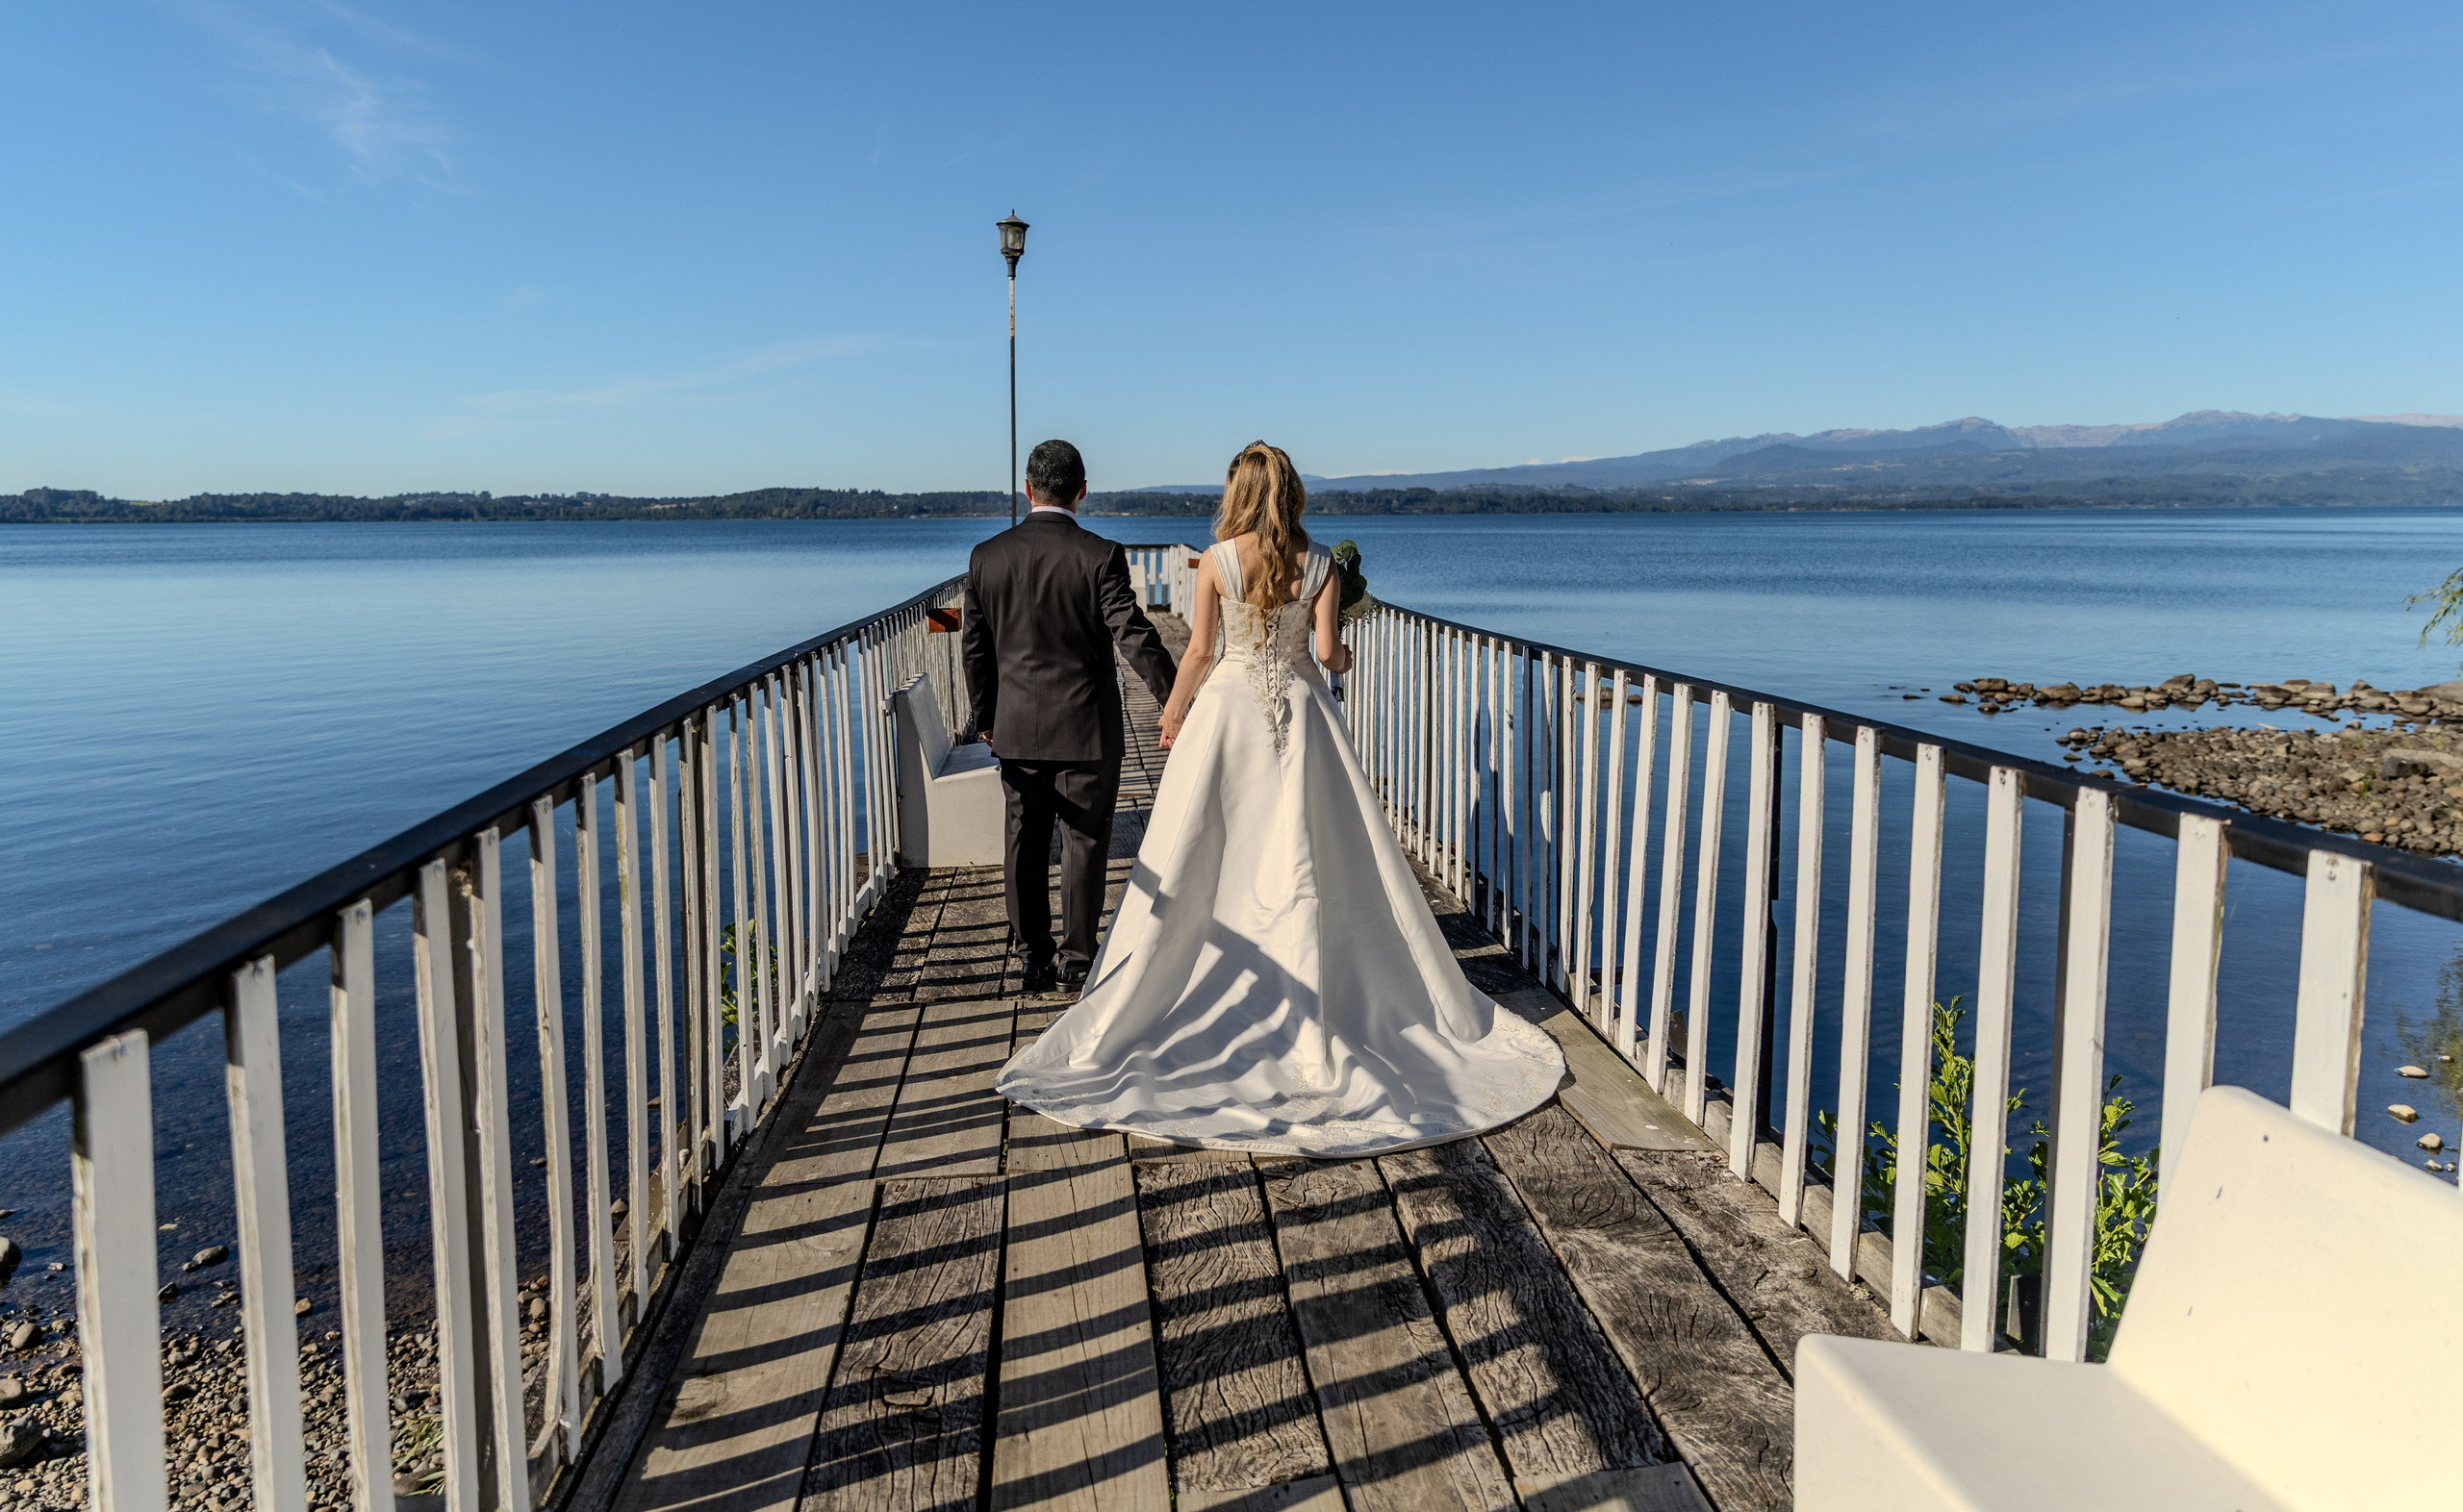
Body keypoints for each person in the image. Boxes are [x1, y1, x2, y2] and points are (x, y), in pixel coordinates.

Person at [996, 441, 1564, 1157]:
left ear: (1236, 493)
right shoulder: (1321, 563)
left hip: (1229, 713)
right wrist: (1347, 652)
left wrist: (1173, 714)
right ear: (1291, 492)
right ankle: (1319, 986)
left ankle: (1205, 973)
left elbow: (1200, 651)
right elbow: (1325, 654)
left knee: (1211, 845)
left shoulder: (1216, 562)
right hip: (1303, 713)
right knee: (1309, 846)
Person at [962, 440, 1179, 995]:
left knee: (1024, 840)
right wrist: (1175, 699)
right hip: (1087, 729)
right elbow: (1133, 633)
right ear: (1082, 491)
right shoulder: (1100, 555)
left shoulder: (987, 557)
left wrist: (986, 716)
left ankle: (1031, 957)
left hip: (1015, 728)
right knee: (1084, 841)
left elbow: (975, 649)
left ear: (1027, 489)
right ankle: (1076, 960)